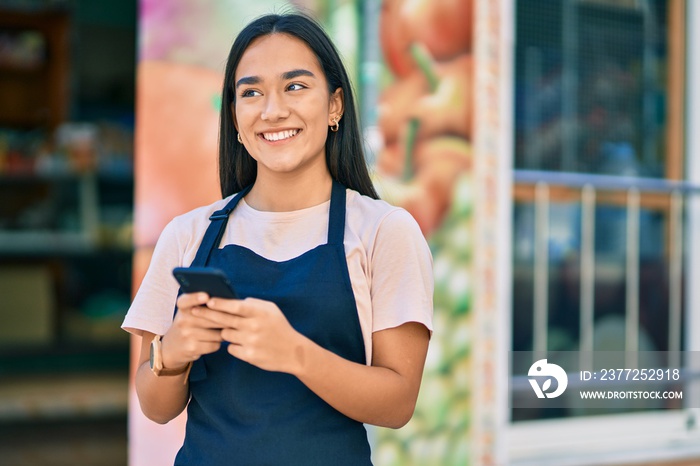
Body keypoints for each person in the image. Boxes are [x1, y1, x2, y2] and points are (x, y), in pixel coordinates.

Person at [122, 12, 433, 466]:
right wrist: (174, 350)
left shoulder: (384, 231)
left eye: (295, 86)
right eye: (251, 92)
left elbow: (398, 403)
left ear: (335, 106)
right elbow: (155, 406)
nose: (272, 111)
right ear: (234, 116)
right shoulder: (188, 233)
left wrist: (295, 353)